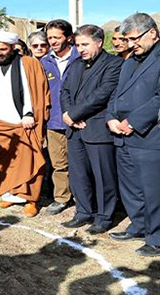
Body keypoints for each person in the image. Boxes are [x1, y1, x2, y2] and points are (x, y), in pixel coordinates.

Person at [0, 30, 50, 217]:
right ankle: (10, 194)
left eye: (3, 49)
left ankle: (31, 199)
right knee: (2, 161)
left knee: (28, 161)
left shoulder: (29, 64)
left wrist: (29, 113)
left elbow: (35, 92)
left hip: (23, 122)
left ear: (12, 48)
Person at [59, 25, 123, 234]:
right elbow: (65, 91)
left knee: (103, 176)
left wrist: (74, 114)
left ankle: (104, 218)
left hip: (97, 129)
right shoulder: (76, 64)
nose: (80, 49)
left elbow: (102, 94)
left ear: (99, 42)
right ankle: (83, 212)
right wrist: (69, 115)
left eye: (85, 44)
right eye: (77, 45)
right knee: (78, 175)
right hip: (75, 130)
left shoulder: (114, 64)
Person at [107, 13, 160, 256]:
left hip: (148, 136)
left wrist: (133, 122)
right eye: (127, 40)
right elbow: (116, 94)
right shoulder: (129, 61)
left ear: (152, 32)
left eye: (134, 39)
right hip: (122, 135)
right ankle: (138, 225)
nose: (130, 44)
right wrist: (111, 117)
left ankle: (156, 237)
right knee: (130, 187)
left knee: (153, 190)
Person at [41, 19, 80, 215]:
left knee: (81, 164)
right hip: (54, 121)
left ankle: (83, 200)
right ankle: (61, 197)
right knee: (58, 164)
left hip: (80, 121)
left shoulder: (81, 57)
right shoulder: (44, 62)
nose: (52, 41)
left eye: (57, 37)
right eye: (49, 38)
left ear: (69, 38)